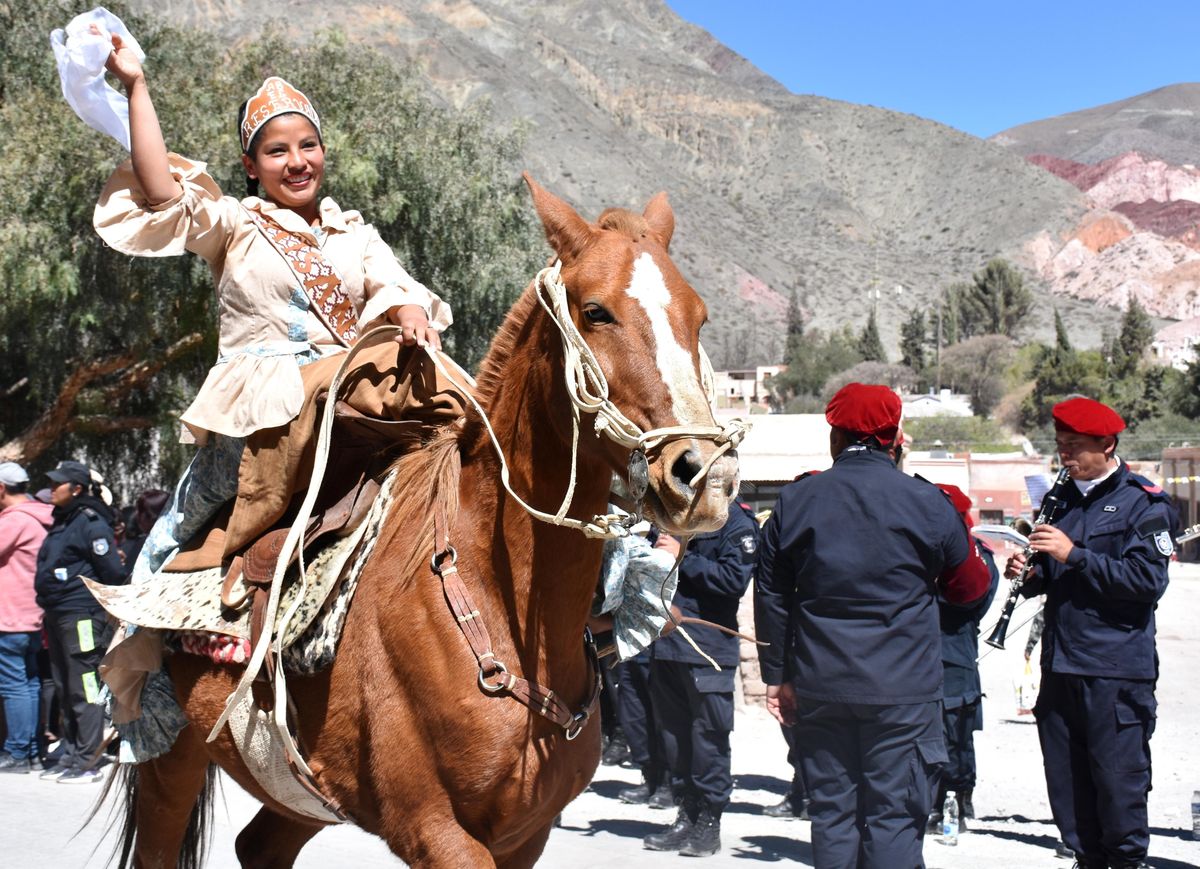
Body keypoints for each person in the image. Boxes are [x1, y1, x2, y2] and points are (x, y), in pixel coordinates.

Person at [91, 36, 453, 587]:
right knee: (176, 530)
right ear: (251, 165)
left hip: (348, 396)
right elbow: (162, 190)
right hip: (263, 414)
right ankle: (144, 617)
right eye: (277, 152)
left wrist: (410, 314)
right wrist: (136, 85)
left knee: (459, 428)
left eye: (308, 146)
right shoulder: (234, 224)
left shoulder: (355, 235)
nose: (298, 162)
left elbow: (396, 286)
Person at [754, 382, 992, 868]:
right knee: (894, 819)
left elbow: (771, 595)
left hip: (821, 684)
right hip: (903, 692)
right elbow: (969, 588)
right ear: (895, 439)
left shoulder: (796, 501)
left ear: (835, 438)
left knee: (832, 816)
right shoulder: (928, 501)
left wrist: (776, 676)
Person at [1006, 397, 1176, 869]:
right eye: (1060, 444)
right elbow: (1054, 574)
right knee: (1068, 789)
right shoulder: (1059, 499)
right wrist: (1029, 573)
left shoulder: (1144, 502)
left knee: (1118, 788)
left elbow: (1147, 582)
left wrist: (1073, 554)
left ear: (1108, 445)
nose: (1065, 454)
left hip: (1114, 671)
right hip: (1062, 667)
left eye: (1075, 445)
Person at [642, 499, 758, 858]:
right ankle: (686, 813)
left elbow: (733, 580)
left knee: (708, 740)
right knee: (674, 739)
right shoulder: (670, 517)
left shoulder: (733, 521)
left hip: (708, 650)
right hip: (666, 647)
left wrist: (682, 557)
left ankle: (709, 821)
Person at [34, 461, 126, 783]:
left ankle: (88, 760)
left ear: (76, 489)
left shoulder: (91, 522)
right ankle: (72, 754)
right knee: (64, 685)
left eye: (57, 484)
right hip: (58, 615)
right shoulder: (63, 520)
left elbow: (112, 572)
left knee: (84, 685)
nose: (51, 489)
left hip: (81, 617)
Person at [925, 483, 1000, 835]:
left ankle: (956, 801)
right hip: (920, 658)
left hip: (954, 654)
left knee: (955, 736)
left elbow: (971, 601)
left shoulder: (977, 555)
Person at [0, 462, 55, 773]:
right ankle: (31, 750)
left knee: (14, 686)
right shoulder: (40, 516)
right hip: (31, 616)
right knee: (29, 683)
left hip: (9, 618)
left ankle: (18, 752)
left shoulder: (14, 521)